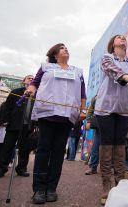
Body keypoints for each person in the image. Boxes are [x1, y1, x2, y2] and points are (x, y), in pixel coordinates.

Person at [25, 43, 86, 204]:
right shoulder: (45, 67)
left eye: (67, 48)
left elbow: (82, 94)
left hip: (67, 117)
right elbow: (35, 83)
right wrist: (31, 89)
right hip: (47, 114)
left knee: (58, 153)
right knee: (43, 150)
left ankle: (51, 188)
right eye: (62, 48)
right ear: (54, 54)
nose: (66, 49)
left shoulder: (78, 72)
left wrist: (82, 110)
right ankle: (38, 189)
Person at [95, 35, 128, 205]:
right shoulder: (107, 58)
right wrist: (127, 77)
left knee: (120, 143)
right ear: (113, 44)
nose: (122, 38)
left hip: (124, 108)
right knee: (107, 143)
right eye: (118, 37)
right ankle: (107, 186)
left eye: (124, 38)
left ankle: (121, 184)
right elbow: (111, 69)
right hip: (106, 106)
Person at [0, 75, 34, 178]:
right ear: (23, 81)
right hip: (14, 124)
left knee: (24, 149)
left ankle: (21, 169)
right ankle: (1, 169)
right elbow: (7, 107)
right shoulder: (16, 91)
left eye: (33, 78)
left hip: (27, 126)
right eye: (29, 78)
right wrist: (5, 120)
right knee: (7, 147)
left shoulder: (36, 94)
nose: (31, 79)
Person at [84, 95, 100, 175]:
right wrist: (89, 121)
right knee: (95, 147)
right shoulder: (96, 97)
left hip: (112, 124)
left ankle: (113, 169)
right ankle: (93, 167)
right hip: (99, 124)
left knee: (112, 147)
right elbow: (90, 109)